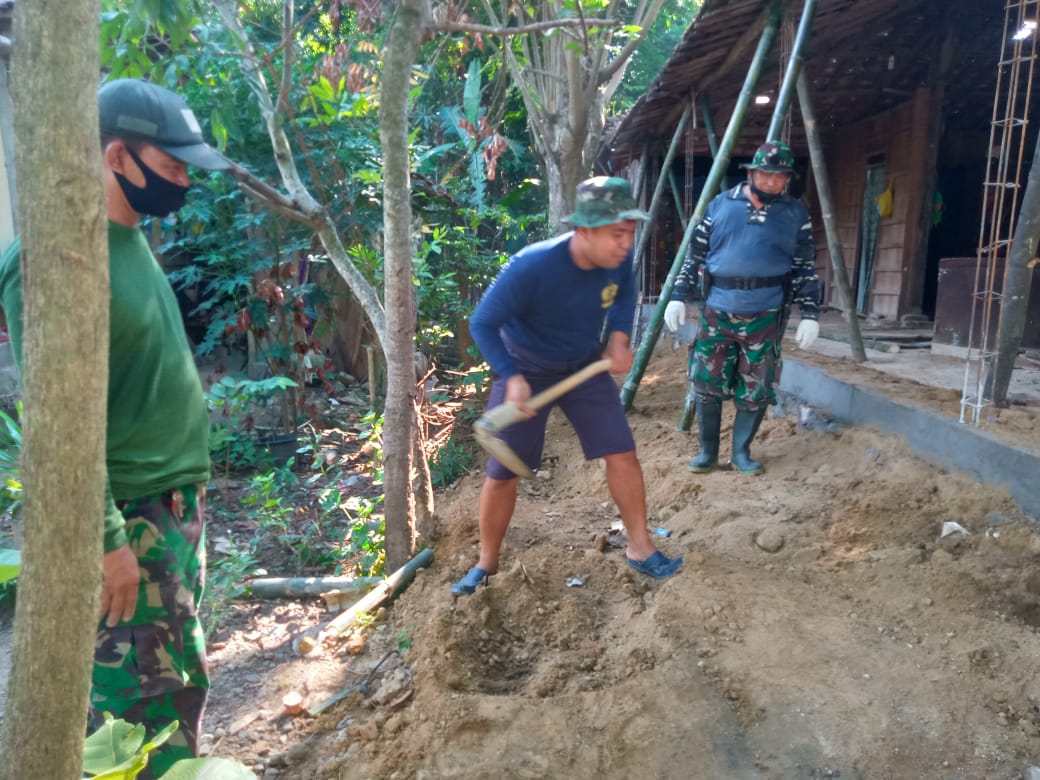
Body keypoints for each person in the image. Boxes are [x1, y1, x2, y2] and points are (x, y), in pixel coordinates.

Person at [0, 78, 230, 777]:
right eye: (171, 166)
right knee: (136, 717)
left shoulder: (126, 239)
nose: (184, 181)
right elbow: (56, 421)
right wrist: (106, 543)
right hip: (131, 520)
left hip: (171, 514)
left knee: (179, 689)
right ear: (116, 156)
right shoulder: (57, 258)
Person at [451, 176, 683, 596]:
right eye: (616, 233)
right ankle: (486, 563)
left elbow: (624, 296)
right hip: (525, 367)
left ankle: (640, 547)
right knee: (503, 473)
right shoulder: (532, 266)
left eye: (629, 232)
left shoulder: (616, 259)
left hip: (583, 365)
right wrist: (511, 375)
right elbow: (482, 323)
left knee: (622, 452)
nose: (626, 243)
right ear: (584, 230)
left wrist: (618, 340)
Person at [663, 140, 821, 476]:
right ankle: (707, 453)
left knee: (757, 386)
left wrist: (810, 314)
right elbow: (695, 257)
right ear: (751, 173)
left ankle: (741, 453)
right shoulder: (720, 205)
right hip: (717, 310)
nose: (771, 182)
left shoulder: (795, 213)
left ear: (787, 179)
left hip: (766, 314)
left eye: (779, 176)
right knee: (707, 382)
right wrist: (678, 294)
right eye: (765, 174)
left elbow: (805, 267)